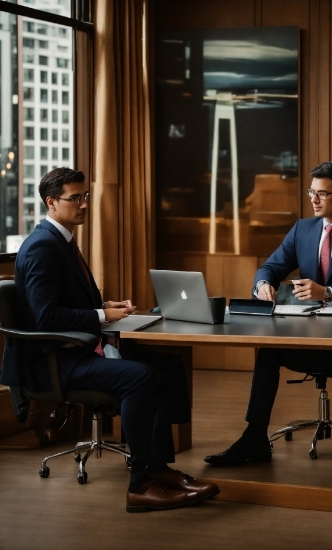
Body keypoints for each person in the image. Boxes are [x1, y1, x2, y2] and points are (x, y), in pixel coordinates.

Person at [0, 167, 219, 512]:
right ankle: (140, 485)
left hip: (75, 349)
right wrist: (102, 317)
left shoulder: (62, 241)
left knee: (164, 364)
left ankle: (159, 470)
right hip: (55, 361)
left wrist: (104, 306)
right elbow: (46, 317)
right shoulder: (43, 246)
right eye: (75, 198)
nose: (84, 204)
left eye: (85, 196)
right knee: (141, 378)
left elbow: (63, 304)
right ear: (51, 202)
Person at [203, 160, 332, 466]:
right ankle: (255, 437)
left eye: (322, 193)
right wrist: (263, 283)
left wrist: (327, 293)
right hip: (311, 337)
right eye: (311, 192)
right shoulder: (302, 229)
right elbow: (270, 266)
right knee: (268, 350)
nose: (314, 200)